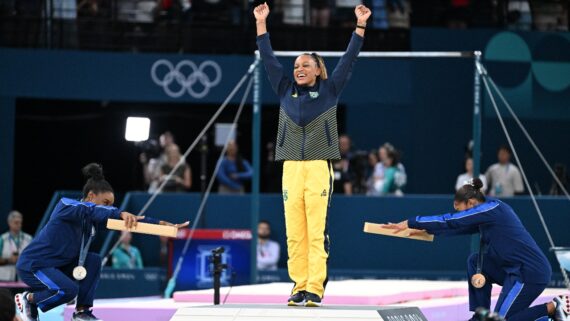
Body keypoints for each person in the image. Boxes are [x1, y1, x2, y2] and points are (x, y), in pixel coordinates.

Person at [254, 2, 371, 307]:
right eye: (295, 66)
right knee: (294, 231)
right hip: (291, 168)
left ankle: (315, 287)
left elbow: (349, 59)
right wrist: (261, 24)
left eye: (305, 65)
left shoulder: (331, 89)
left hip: (319, 166)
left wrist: (360, 26)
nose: (299, 69)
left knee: (315, 231)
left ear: (318, 69)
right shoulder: (283, 90)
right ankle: (299, 285)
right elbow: (268, 58)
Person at [14, 163, 188, 321]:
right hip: (34, 264)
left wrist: (161, 224)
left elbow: (129, 222)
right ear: (90, 196)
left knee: (94, 260)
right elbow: (91, 210)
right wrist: (117, 212)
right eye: (106, 203)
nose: (109, 207)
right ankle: (28, 299)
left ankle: (82, 312)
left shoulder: (96, 219)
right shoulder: (66, 206)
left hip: (59, 265)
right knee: (68, 290)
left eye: (111, 204)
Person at [382, 178, 570, 321]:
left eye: (461, 210)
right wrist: (420, 229)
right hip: (513, 270)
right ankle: (480, 315)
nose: (459, 214)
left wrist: (410, 221)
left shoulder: (492, 209)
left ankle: (553, 307)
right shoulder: (484, 215)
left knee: (502, 320)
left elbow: (450, 220)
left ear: (471, 203)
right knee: (474, 260)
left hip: (529, 273)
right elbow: (455, 227)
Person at [0, 211, 33, 281]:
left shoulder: (28, 239)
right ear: (9, 223)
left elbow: (34, 258)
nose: (19, 225)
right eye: (16, 223)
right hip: (5, 279)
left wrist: (23, 260)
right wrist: (9, 260)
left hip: (23, 279)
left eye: (20, 222)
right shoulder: (3, 239)